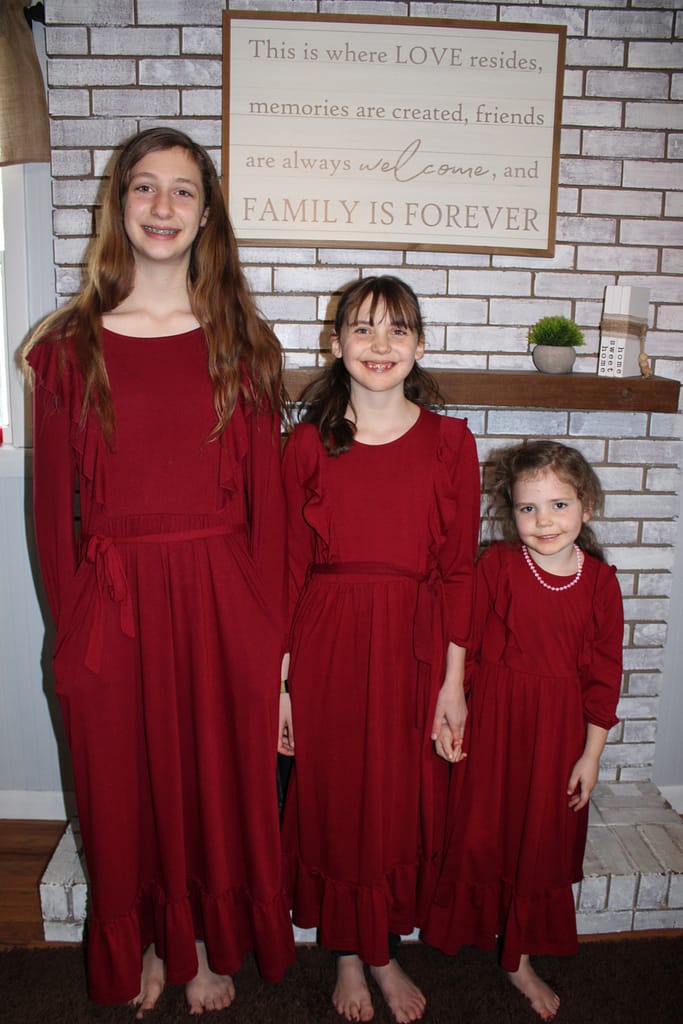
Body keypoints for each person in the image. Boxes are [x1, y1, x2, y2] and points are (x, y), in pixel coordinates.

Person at [23, 127, 294, 1015]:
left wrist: (271, 642)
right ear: (119, 205)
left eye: (182, 191)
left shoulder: (242, 344)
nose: (163, 207)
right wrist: (72, 631)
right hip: (114, 600)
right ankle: (145, 941)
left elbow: (269, 512)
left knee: (212, 784)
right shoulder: (64, 348)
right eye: (145, 188)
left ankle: (205, 947)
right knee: (119, 788)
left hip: (221, 600)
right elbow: (49, 511)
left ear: (207, 213)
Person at [277, 276, 480, 1023]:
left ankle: (382, 947)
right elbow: (285, 573)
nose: (379, 345)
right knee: (335, 800)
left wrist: (452, 685)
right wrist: (281, 688)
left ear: (419, 346)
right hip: (326, 642)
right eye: (362, 330)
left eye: (397, 330)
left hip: (414, 646)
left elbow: (459, 571)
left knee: (394, 802)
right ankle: (345, 954)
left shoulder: (451, 442)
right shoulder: (304, 446)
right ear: (336, 345)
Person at [423, 440, 624, 1021]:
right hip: (497, 722)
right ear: (510, 512)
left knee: (540, 840)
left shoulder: (601, 584)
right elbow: (467, 645)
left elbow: (604, 679)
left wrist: (591, 757)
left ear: (586, 506)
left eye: (559, 506)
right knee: (486, 828)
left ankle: (519, 957)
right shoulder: (499, 566)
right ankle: (477, 927)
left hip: (559, 734)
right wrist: (452, 706)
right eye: (528, 509)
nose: (544, 522)